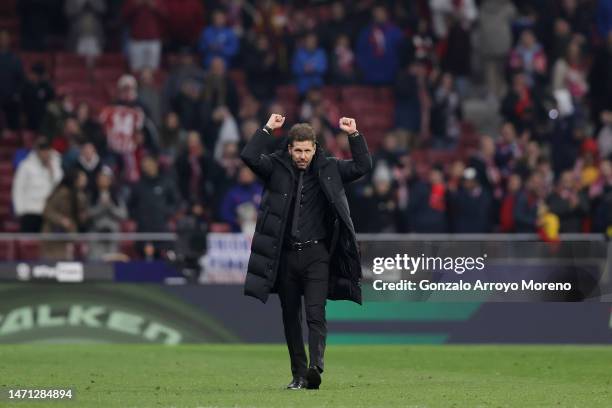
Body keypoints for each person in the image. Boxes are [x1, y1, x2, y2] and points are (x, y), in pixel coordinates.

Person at [240, 114, 372, 390]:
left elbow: (363, 165)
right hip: (285, 256)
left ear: (315, 148)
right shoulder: (275, 167)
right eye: (297, 150)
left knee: (315, 313)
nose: (302, 156)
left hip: (317, 256)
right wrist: (266, 129)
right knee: (290, 318)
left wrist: (354, 135)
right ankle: (298, 375)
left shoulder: (330, 168)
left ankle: (315, 368)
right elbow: (250, 156)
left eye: (307, 150)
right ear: (289, 149)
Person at [12, 138, 64, 232]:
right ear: (38, 151)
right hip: (30, 211)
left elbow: (59, 186)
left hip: (49, 212)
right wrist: (20, 210)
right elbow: (18, 189)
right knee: (28, 242)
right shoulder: (26, 166)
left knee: (45, 243)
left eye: (47, 150)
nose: (45, 153)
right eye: (42, 150)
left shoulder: (56, 165)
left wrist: (51, 170)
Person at [41, 169, 89, 260]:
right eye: (81, 178)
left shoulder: (80, 195)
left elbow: (79, 215)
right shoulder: (62, 192)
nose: (84, 181)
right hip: (54, 235)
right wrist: (61, 220)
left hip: (68, 235)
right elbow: (47, 211)